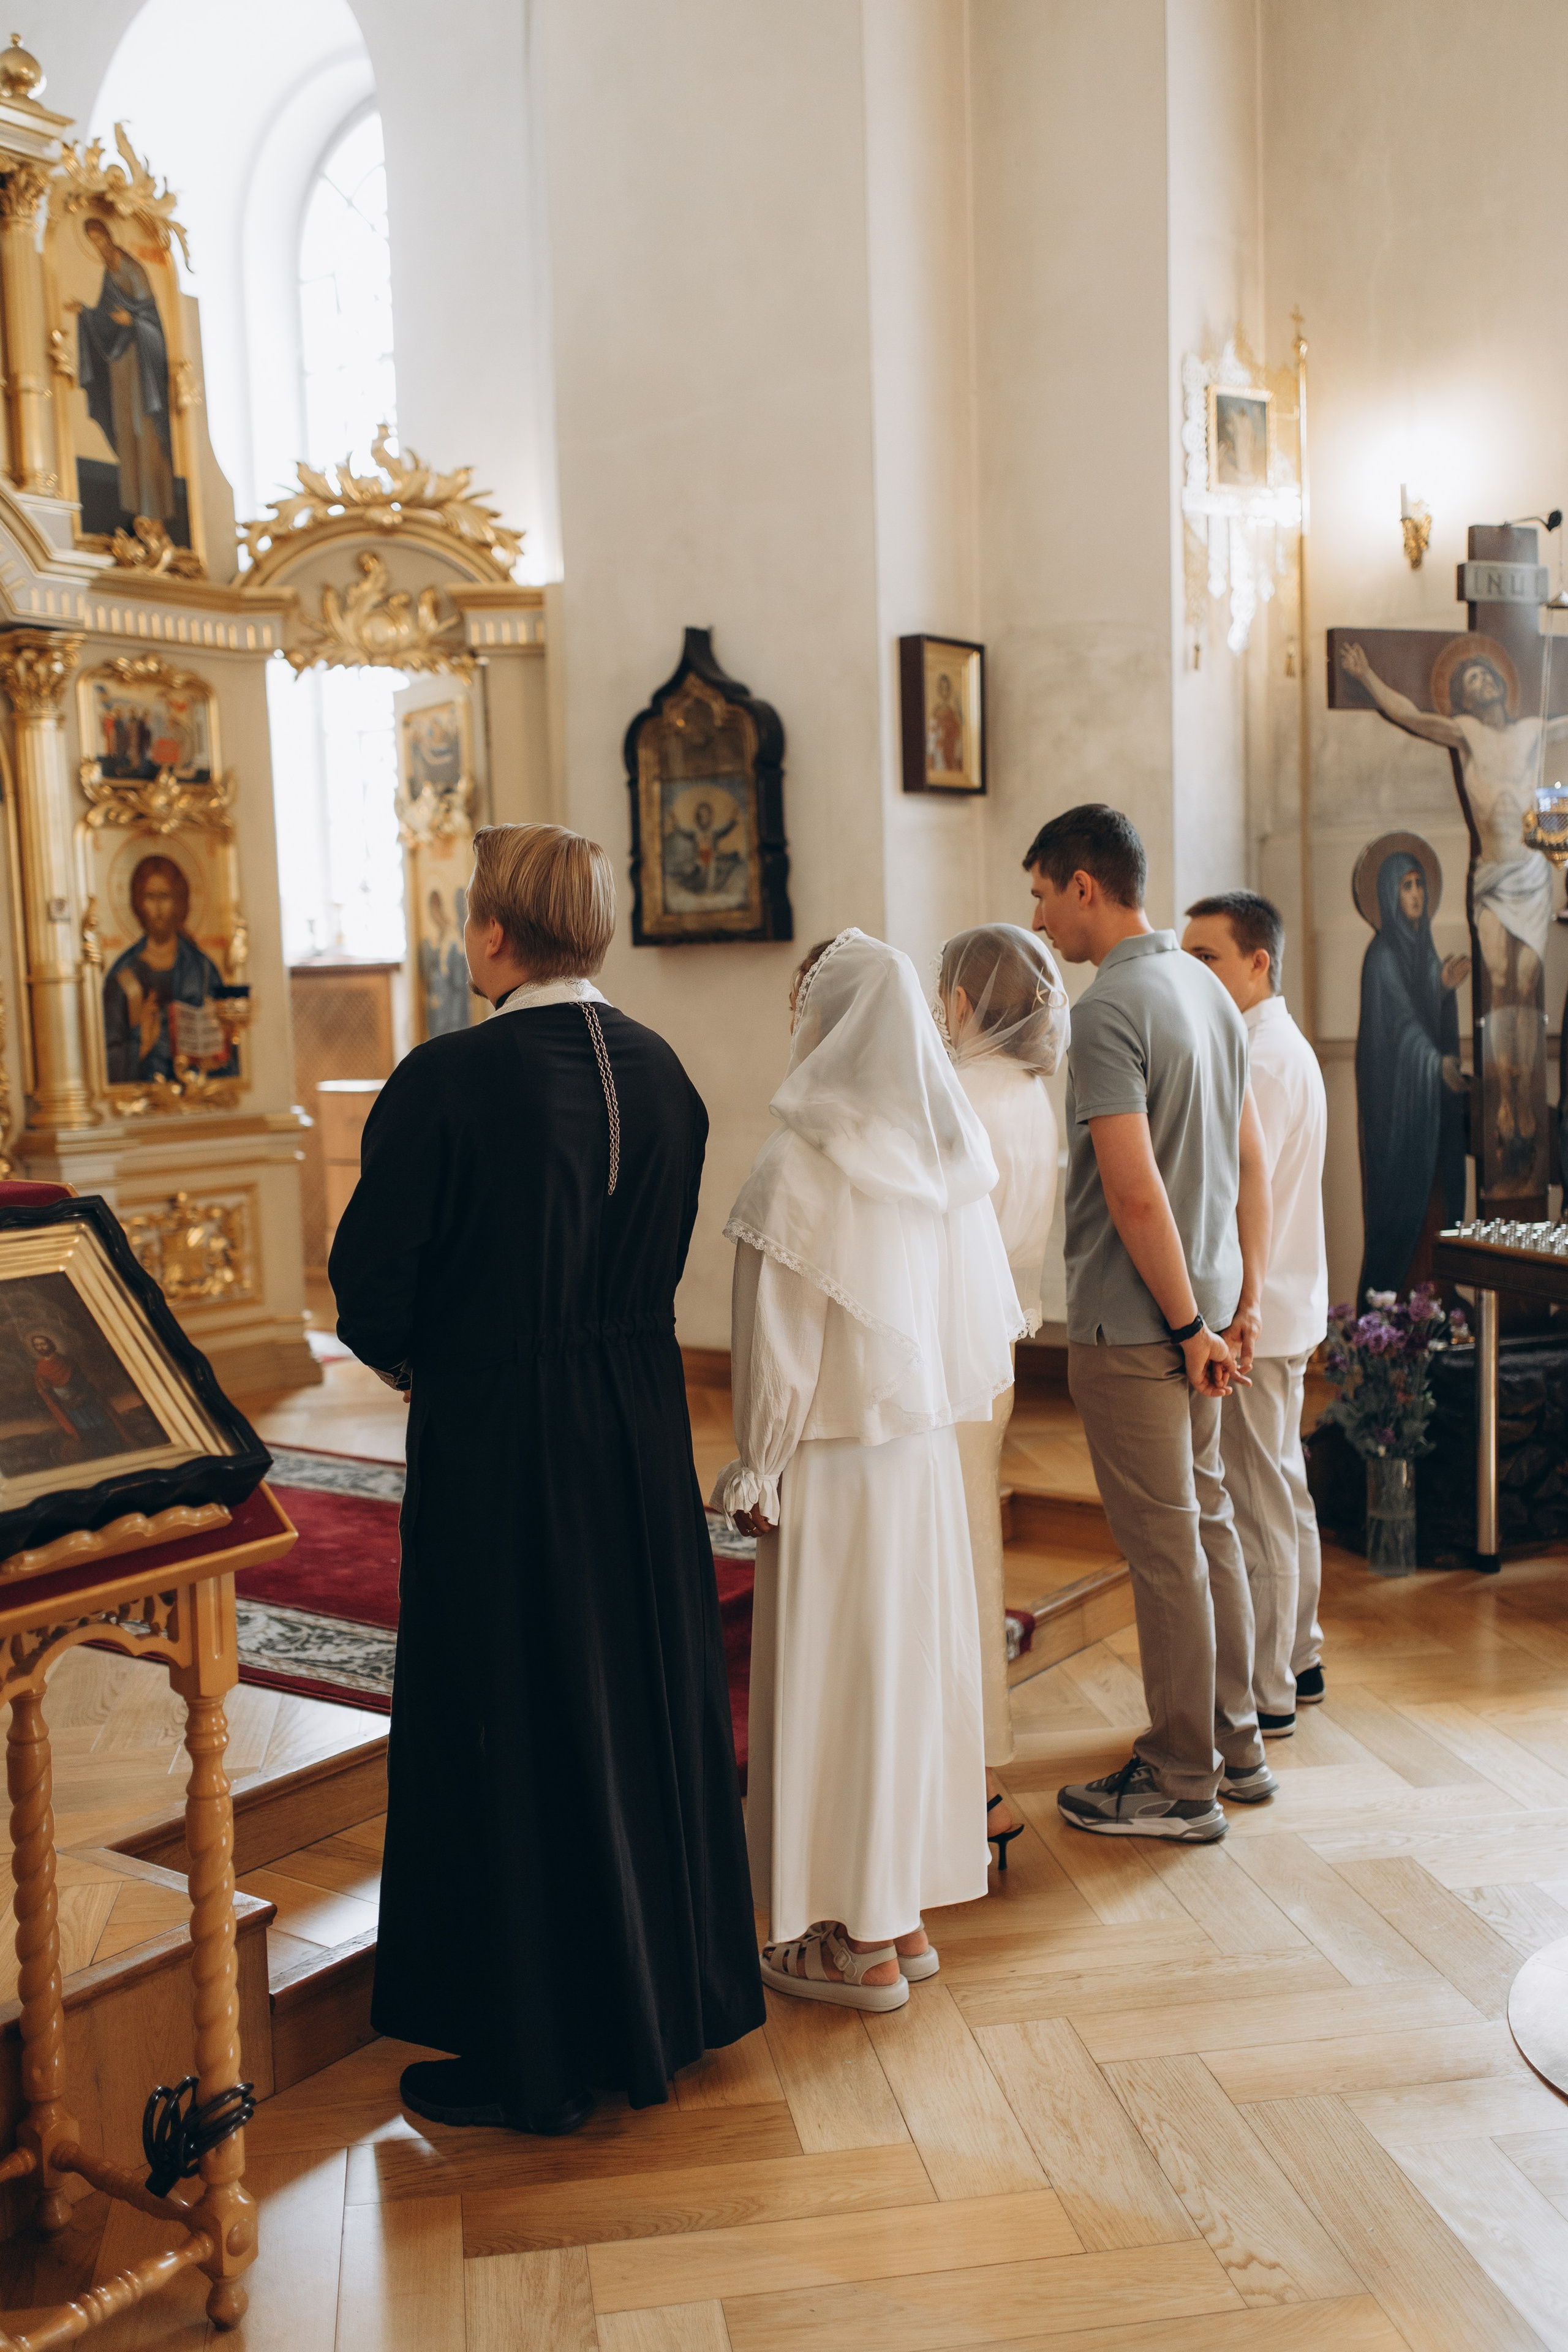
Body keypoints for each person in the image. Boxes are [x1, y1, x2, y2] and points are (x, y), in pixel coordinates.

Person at [329, 821, 763, 2133]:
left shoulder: (450, 1079)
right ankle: (659, 2005)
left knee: (504, 1713)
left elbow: (371, 1292)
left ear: (495, 934)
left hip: (504, 1432)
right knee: (631, 1696)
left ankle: (530, 2046)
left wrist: (437, 1363)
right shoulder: (667, 1071)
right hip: (633, 1422)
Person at [715, 929, 1022, 2007]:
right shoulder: (946, 1159)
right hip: (921, 1465)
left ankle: (855, 1943)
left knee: (844, 1687)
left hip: (838, 1471)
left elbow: (778, 1347)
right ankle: (903, 1916)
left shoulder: (800, 1161)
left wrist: (758, 1466)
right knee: (906, 1681)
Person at [1024, 805, 1274, 1840]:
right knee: (1205, 1522)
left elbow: (1134, 1196)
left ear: (1086, 887)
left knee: (1166, 1545)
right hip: (1209, 1312)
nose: (1037, 919)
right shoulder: (1209, 992)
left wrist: (1181, 1330)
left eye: (1041, 893)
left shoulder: (1109, 1008)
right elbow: (1249, 1166)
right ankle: (1237, 1739)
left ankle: (1180, 1781)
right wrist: (1238, 1308)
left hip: (1145, 1331)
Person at [937, 922, 1070, 1858]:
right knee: (974, 1555)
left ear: (958, 1002)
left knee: (947, 1567)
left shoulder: (962, 1102)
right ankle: (975, 1769)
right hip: (998, 1356)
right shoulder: (1031, 1094)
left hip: (944, 1360)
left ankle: (963, 1778)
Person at [1182, 892, 1329, 1735]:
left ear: (1257, 961)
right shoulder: (1269, 1044)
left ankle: (1270, 1685)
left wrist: (1234, 1312)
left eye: (1208, 956)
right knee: (1282, 1486)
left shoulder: (1261, 1058)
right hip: (1281, 1303)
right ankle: (1299, 1656)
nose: (1194, 971)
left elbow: (1246, 1199)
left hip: (1258, 1313)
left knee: (1259, 1496)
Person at [1354, 850, 1469, 1300]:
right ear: (1388, 894)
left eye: (1421, 885)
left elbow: (1421, 1008)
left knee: (1437, 1207)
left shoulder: (1423, 946)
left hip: (1431, 1117)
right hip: (1400, 1122)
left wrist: (1441, 987)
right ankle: (1403, 1311)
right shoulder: (1381, 955)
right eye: (1407, 886)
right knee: (1409, 1217)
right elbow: (1398, 1033)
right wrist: (1434, 1065)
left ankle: (1437, 1301)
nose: (1418, 895)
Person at [69, 214, 177, 531]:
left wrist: (133, 323)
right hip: (121, 367)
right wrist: (87, 314)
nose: (97, 246)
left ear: (108, 237)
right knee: (126, 429)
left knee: (144, 428)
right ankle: (133, 506)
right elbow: (107, 315)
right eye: (92, 242)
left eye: (99, 239)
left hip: (142, 368)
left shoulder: (133, 270)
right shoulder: (109, 273)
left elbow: (152, 321)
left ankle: (156, 506)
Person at [103, 855, 238, 1086]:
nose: (157, 908)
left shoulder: (202, 968)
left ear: (179, 901)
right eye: (150, 897)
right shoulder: (123, 976)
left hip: (198, 1091)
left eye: (164, 897)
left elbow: (230, 1041)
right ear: (138, 903)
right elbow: (108, 1055)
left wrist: (216, 1056)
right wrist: (141, 1045)